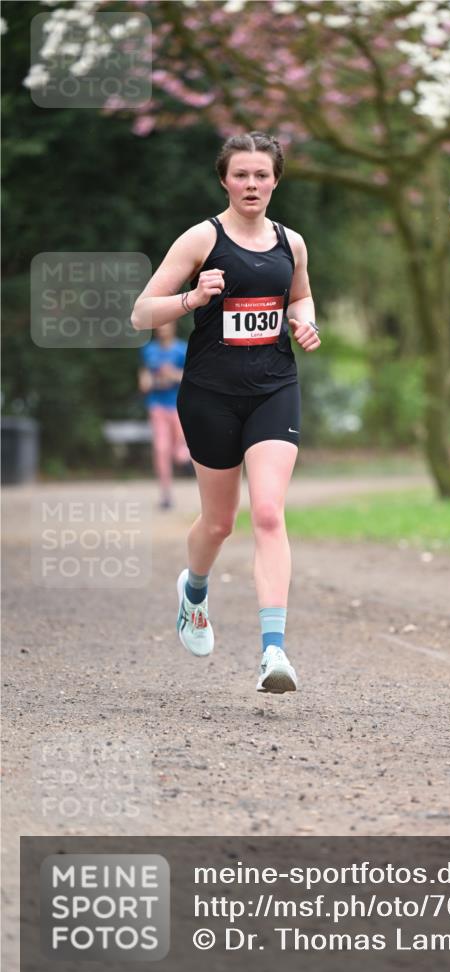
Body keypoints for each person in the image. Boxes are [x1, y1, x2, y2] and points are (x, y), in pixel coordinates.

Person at [131, 131, 320, 694]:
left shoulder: (293, 243)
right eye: (241, 174)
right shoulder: (201, 239)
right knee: (219, 522)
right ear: (225, 180)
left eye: (262, 175)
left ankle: (273, 651)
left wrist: (305, 321)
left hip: (273, 388)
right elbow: (142, 313)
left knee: (267, 513)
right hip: (209, 395)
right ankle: (193, 591)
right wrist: (193, 297)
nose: (252, 184)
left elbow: (301, 297)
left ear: (276, 180)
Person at [138, 320, 190, 509]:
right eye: (159, 326)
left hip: (178, 406)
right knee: (161, 449)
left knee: (180, 452)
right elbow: (144, 378)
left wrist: (172, 374)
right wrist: (148, 381)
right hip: (157, 406)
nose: (162, 329)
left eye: (166, 325)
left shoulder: (182, 349)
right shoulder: (148, 351)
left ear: (173, 326)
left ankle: (186, 461)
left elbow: (190, 377)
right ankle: (166, 494)